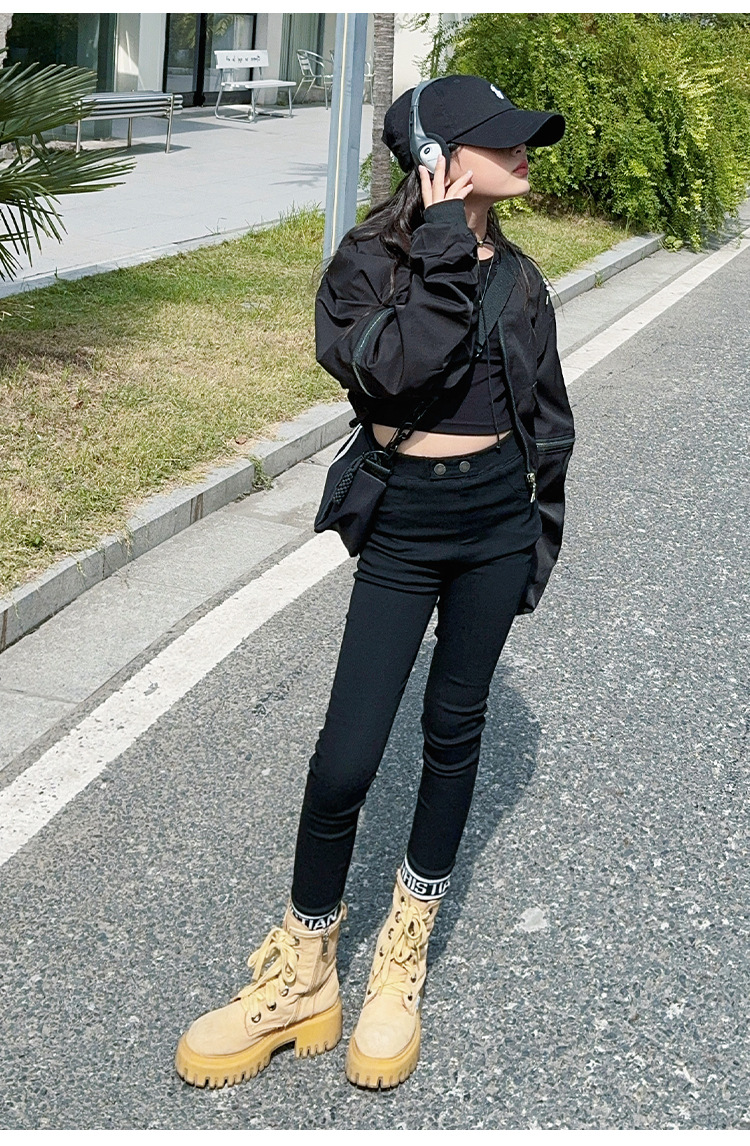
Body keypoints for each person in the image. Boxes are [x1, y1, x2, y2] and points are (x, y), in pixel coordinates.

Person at [175, 74, 575, 1093]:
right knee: (348, 756)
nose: (522, 151)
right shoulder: (366, 264)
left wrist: (537, 538)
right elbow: (396, 372)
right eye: (498, 139)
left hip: (496, 522)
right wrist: (441, 243)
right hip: (404, 527)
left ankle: (402, 955)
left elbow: (549, 419)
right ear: (435, 158)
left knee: (453, 731)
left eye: (521, 137)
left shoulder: (520, 278)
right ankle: (305, 970)